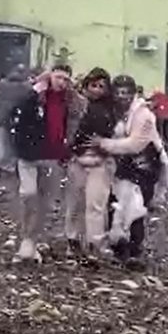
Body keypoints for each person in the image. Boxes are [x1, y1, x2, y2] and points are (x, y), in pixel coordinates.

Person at [10, 64, 87, 262]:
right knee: (28, 195)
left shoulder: (70, 101)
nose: (61, 82)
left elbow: (76, 121)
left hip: (53, 156)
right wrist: (36, 88)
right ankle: (27, 238)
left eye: (65, 79)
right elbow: (17, 111)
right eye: (58, 77)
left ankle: (34, 239)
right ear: (49, 77)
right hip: (29, 155)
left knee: (45, 202)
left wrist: (68, 149)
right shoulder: (35, 97)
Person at [90, 74, 167, 265]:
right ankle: (119, 247)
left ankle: (134, 252)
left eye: (126, 92)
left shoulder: (144, 114)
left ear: (133, 94)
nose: (122, 96)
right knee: (116, 204)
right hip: (123, 165)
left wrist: (104, 144)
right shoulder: (114, 111)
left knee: (137, 207)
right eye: (118, 92)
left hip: (146, 164)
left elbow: (135, 144)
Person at [65, 67, 116, 255]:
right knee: (75, 202)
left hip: (100, 162)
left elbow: (114, 136)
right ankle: (72, 239)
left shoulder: (111, 109)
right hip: (77, 159)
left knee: (96, 204)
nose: (97, 90)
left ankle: (95, 243)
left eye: (101, 86)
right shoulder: (76, 105)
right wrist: (74, 153)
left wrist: (102, 152)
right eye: (93, 85)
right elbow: (68, 130)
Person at [0, 66, 32, 173]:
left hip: (0, 116)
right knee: (12, 142)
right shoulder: (26, 87)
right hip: (16, 119)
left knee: (0, 141)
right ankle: (10, 164)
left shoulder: (2, 85)